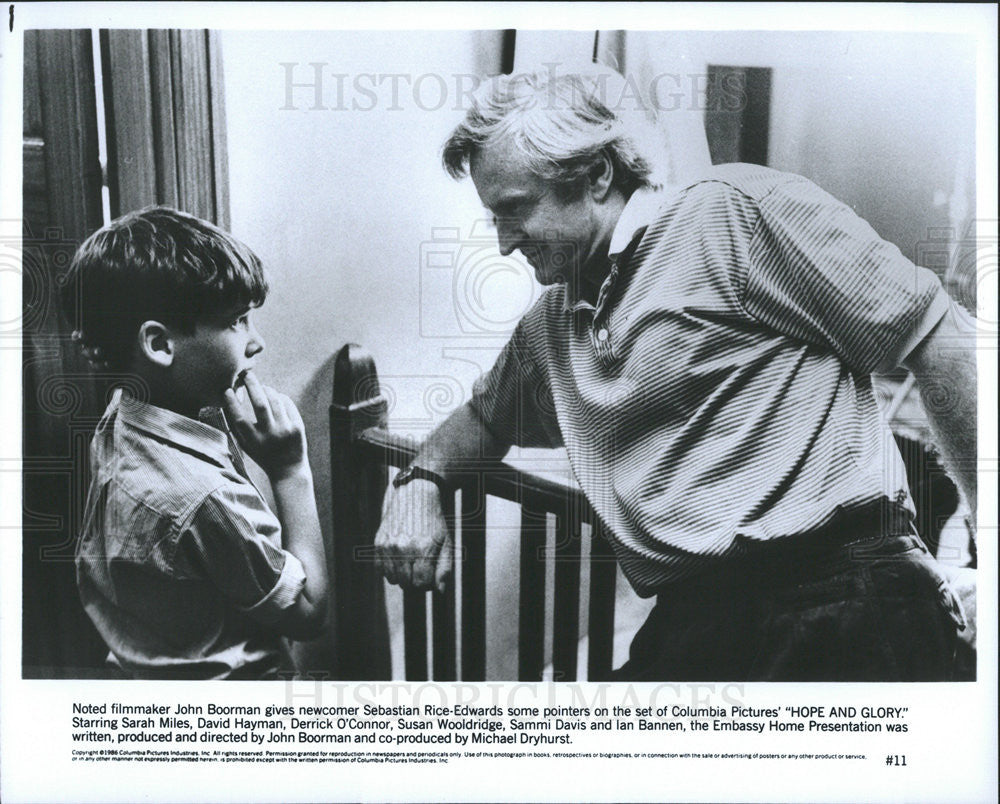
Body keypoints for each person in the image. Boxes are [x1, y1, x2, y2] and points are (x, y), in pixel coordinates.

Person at [374, 65, 977, 681]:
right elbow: (481, 418)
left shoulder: (730, 212)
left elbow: (939, 336)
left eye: (515, 210)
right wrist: (420, 483)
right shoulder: (549, 328)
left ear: (598, 175)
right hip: (701, 618)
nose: (503, 243)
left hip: (847, 590)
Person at [62, 207, 328, 679]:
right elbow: (308, 613)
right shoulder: (204, 500)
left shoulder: (119, 416)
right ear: (160, 345)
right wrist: (290, 470)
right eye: (238, 321)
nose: (256, 341)